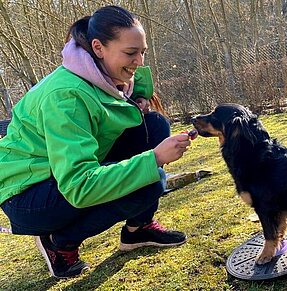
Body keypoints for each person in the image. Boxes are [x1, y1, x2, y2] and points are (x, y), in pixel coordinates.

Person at [0, 5, 192, 279]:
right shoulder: (65, 96)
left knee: (153, 126)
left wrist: (137, 97)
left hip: (60, 173)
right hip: (28, 194)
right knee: (147, 182)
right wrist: (154, 159)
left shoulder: (101, 76)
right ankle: (60, 242)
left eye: (142, 52)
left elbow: (110, 102)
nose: (139, 61)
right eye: (130, 53)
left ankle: (137, 230)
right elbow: (79, 185)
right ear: (98, 48)